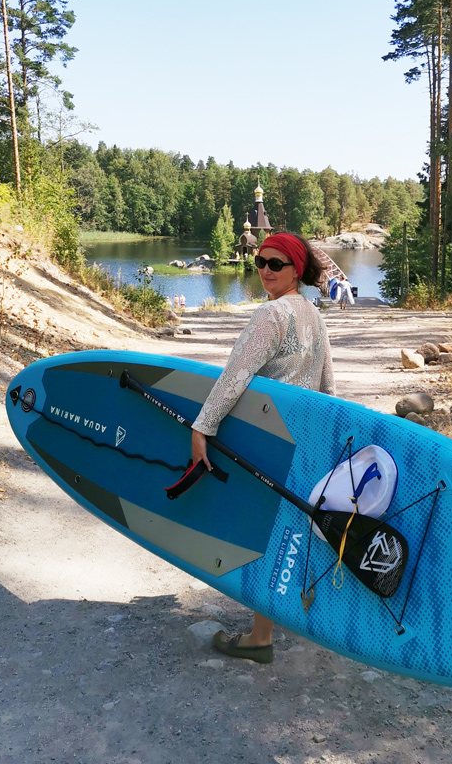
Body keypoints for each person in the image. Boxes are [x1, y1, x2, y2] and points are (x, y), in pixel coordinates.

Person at [191, 232, 335, 664]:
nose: (266, 271)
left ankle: (260, 637)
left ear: (295, 269)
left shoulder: (272, 314)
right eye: (260, 262)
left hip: (270, 437)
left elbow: (236, 374)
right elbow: (328, 384)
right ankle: (280, 618)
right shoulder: (313, 313)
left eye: (276, 263)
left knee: (263, 532)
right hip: (303, 437)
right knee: (287, 529)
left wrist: (203, 426)